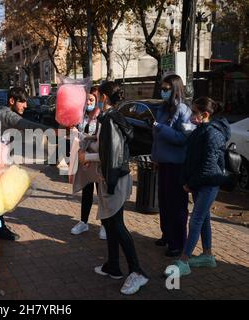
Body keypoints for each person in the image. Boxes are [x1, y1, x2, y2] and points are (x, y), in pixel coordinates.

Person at [78, 81, 148, 295]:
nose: (96, 97)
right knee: (109, 223)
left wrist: (87, 156)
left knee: (116, 224)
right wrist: (88, 141)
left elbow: (113, 155)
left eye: (99, 94)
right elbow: (107, 147)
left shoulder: (110, 120)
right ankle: (113, 266)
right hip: (110, 176)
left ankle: (137, 272)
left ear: (105, 97)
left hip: (114, 178)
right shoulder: (109, 118)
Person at [165, 97, 230, 277]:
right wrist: (187, 181)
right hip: (198, 183)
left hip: (208, 183)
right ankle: (207, 255)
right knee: (204, 219)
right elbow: (191, 160)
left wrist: (190, 183)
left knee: (196, 220)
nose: (192, 115)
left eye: (194, 112)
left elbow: (208, 166)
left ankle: (184, 260)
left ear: (205, 114)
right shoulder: (200, 130)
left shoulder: (212, 133)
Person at [0, 86, 51, 241]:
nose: (25, 105)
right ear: (12, 100)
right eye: (22, 102)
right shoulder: (6, 115)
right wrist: (50, 130)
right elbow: (25, 124)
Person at [151, 74, 194, 257]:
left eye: (166, 89)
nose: (163, 91)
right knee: (165, 202)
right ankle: (167, 235)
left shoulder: (184, 111)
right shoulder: (162, 109)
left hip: (177, 165)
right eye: (162, 88)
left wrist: (162, 129)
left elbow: (183, 138)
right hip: (163, 163)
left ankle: (178, 242)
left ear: (175, 89)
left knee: (177, 205)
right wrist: (155, 157)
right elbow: (157, 138)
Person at [70, 91, 106, 240]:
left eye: (91, 100)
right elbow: (76, 137)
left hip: (97, 160)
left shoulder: (102, 117)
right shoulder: (80, 116)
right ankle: (83, 222)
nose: (89, 103)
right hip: (84, 160)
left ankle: (104, 225)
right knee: (87, 191)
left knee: (102, 193)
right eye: (87, 100)